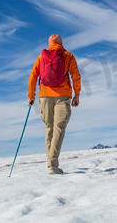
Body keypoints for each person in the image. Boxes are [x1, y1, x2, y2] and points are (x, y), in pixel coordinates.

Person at [28, 34, 81, 174]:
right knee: (59, 127)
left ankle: (51, 164)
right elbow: (75, 75)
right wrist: (77, 94)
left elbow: (33, 76)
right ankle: (52, 165)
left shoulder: (41, 57)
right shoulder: (68, 55)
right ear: (61, 43)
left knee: (49, 128)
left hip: (44, 96)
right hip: (63, 96)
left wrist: (30, 95)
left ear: (49, 43)